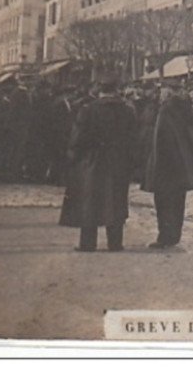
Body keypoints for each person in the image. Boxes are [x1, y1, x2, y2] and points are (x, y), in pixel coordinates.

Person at [59, 73, 137, 252]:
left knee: (90, 201)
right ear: (117, 90)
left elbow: (77, 139)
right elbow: (133, 140)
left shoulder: (88, 110)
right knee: (116, 200)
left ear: (99, 90)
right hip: (118, 162)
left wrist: (74, 158)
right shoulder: (127, 111)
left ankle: (87, 243)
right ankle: (115, 242)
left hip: (92, 162)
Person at [141, 78, 193, 248]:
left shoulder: (165, 110)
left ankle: (165, 236)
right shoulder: (187, 109)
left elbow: (160, 139)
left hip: (166, 163)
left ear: (167, 91)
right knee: (178, 200)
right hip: (183, 162)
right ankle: (175, 235)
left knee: (164, 201)